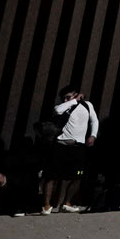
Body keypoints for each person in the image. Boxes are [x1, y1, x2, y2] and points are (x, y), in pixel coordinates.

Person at [42, 85, 97, 214]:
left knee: (77, 175)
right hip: (60, 146)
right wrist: (73, 101)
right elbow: (57, 110)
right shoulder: (64, 107)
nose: (66, 100)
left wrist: (93, 135)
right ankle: (46, 205)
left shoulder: (87, 105)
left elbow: (94, 121)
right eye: (64, 98)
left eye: (68, 96)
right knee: (51, 176)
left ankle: (67, 202)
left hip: (78, 147)